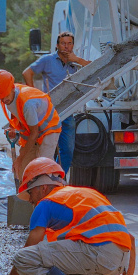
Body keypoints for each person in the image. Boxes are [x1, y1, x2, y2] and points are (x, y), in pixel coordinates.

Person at [0, 157, 136, 275]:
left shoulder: (45, 203)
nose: (30, 200)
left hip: (97, 252)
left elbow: (27, 254)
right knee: (57, 259)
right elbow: (130, 239)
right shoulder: (84, 195)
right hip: (121, 259)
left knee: (23, 257)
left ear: (42, 188)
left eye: (30, 192)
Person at [22, 31, 92, 175]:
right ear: (57, 45)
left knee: (67, 149)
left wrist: (78, 60)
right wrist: (34, 95)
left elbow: (94, 69)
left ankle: (60, 178)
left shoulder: (75, 62)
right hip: (49, 112)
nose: (66, 47)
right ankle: (46, 177)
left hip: (68, 110)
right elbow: (27, 73)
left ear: (73, 45)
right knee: (48, 148)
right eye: (63, 43)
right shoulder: (47, 60)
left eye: (69, 43)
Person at [0, 69, 61, 182]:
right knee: (23, 168)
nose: (3, 99)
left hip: (48, 129)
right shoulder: (9, 96)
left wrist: (19, 158)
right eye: (0, 97)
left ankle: (50, 191)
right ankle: (28, 196)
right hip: (33, 129)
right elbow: (15, 109)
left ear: (12, 88)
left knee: (43, 167)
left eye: (5, 95)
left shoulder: (28, 103)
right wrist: (13, 127)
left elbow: (34, 133)